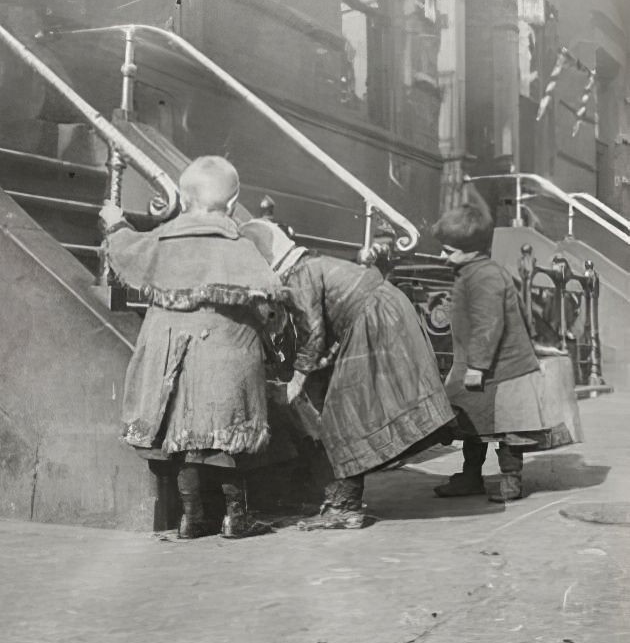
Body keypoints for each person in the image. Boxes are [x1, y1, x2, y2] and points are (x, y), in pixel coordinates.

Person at [99, 156, 287, 539]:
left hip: (169, 352)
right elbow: (270, 304)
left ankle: (191, 516)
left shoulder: (164, 239)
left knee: (181, 436)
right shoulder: (241, 248)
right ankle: (236, 516)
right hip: (226, 355)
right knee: (226, 434)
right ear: (232, 206)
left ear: (182, 202)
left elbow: (125, 250)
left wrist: (115, 221)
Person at [239, 218, 455, 530]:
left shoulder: (299, 276)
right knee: (351, 409)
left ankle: (345, 505)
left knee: (344, 414)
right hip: (382, 313)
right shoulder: (311, 265)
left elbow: (312, 331)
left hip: (374, 320)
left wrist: (295, 382)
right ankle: (343, 500)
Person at [431, 189, 582, 502]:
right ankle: (471, 475)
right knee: (474, 424)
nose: (442, 256)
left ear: (470, 250)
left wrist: (477, 366)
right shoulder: (474, 271)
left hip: (501, 371)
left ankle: (511, 479)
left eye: (448, 250)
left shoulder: (483, 276)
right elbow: (523, 316)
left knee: (509, 429)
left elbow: (489, 324)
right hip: (484, 368)